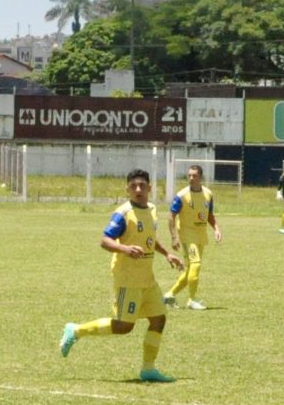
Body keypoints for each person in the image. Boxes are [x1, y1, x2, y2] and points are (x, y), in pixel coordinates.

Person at [59, 168, 184, 383]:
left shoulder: (152, 209)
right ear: (127, 189)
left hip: (147, 278)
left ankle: (148, 369)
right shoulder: (123, 213)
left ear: (150, 188)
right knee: (125, 327)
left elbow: (149, 239)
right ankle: (76, 330)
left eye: (142, 186)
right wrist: (125, 249)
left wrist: (167, 254)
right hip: (128, 279)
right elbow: (104, 240)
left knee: (159, 319)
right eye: (133, 186)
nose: (138, 190)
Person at [164, 162, 219, 309]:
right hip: (187, 235)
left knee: (190, 270)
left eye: (194, 175)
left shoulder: (208, 194)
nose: (191, 178)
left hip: (201, 235)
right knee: (196, 264)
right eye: (189, 175)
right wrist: (174, 237)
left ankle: (169, 295)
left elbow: (209, 215)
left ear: (201, 177)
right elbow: (171, 216)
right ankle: (192, 300)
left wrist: (216, 229)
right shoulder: (181, 196)